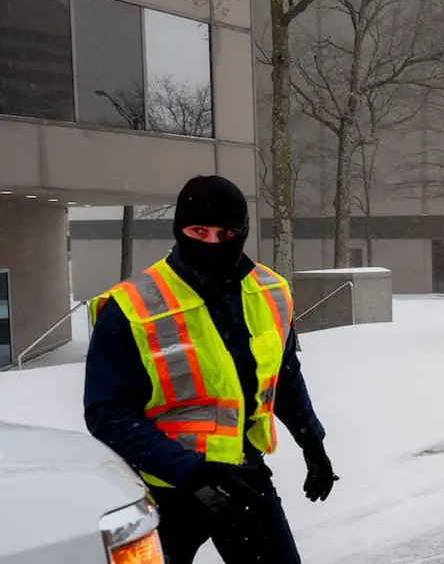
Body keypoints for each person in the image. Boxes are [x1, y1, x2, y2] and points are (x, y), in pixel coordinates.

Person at [84, 175, 336, 564]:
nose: (212, 243)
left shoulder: (270, 291)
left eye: (226, 233)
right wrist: (191, 473)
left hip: (244, 480)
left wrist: (313, 445)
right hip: (167, 490)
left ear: (243, 232)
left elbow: (283, 377)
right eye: (199, 230)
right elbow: (107, 412)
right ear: (179, 229)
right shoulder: (131, 309)